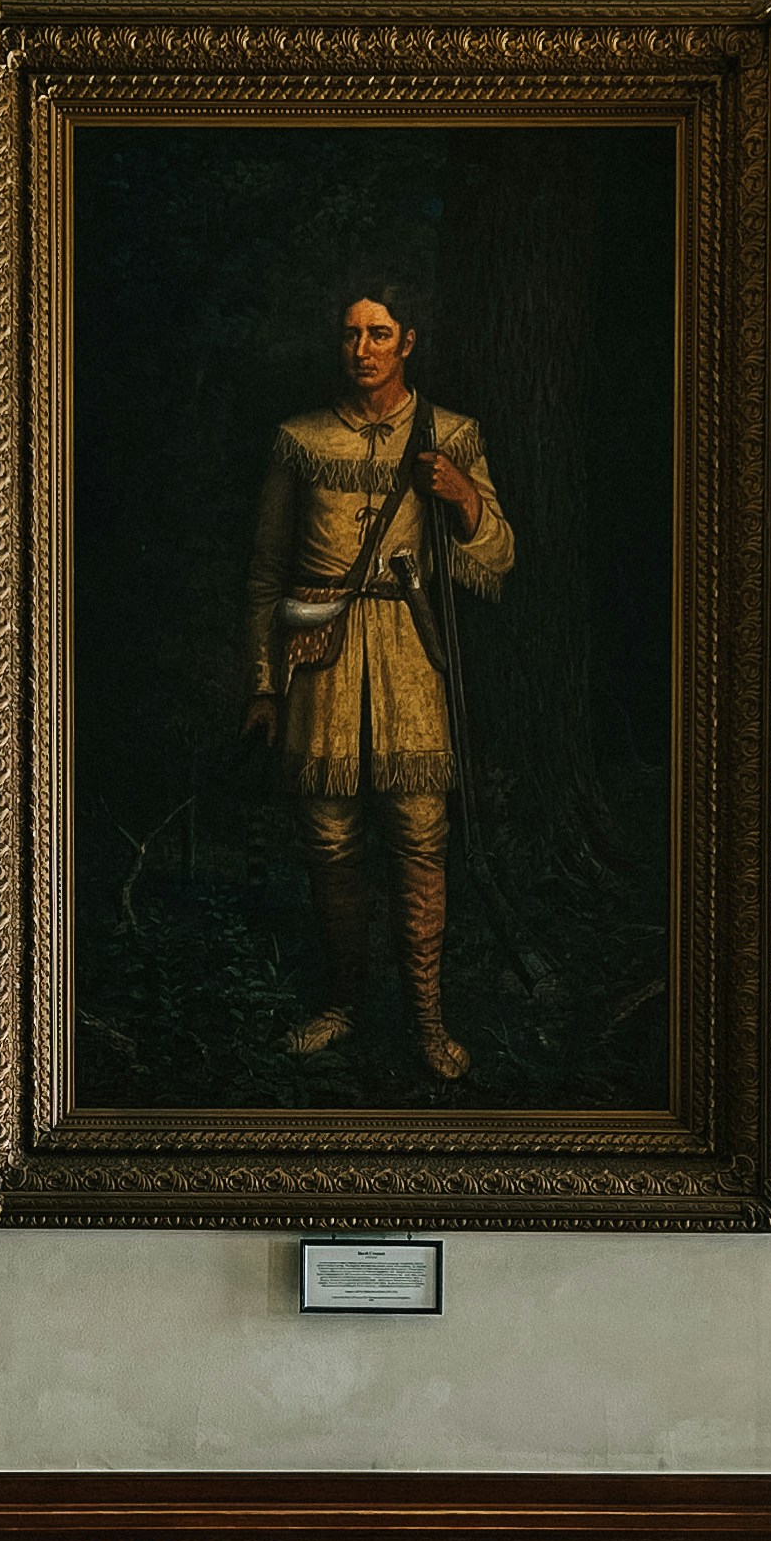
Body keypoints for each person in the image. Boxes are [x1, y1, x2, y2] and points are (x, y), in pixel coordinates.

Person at [243, 280, 513, 1078]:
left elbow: (497, 556)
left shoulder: (453, 435)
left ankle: (428, 1023)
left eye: (380, 334)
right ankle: (345, 1004)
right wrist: (262, 682)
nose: (363, 350)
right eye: (352, 334)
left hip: (409, 655)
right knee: (329, 840)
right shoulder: (300, 439)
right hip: (317, 657)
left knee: (420, 836)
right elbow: (264, 574)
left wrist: (462, 497)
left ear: (409, 341)